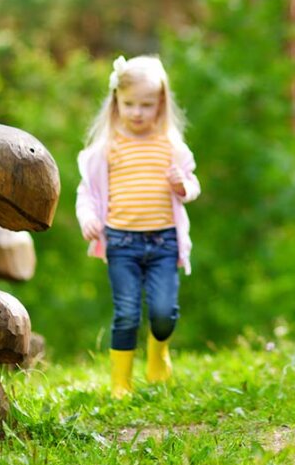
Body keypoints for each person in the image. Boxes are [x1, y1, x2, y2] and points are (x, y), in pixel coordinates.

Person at [76, 55, 201, 397]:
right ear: (116, 101)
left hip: (164, 243)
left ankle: (159, 352)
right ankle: (121, 382)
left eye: (146, 105)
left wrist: (182, 186)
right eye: (129, 104)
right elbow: (86, 192)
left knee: (163, 313)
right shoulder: (107, 148)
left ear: (161, 103)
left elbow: (192, 186)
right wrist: (88, 217)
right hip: (121, 243)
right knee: (127, 312)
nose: (137, 112)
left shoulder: (171, 146)